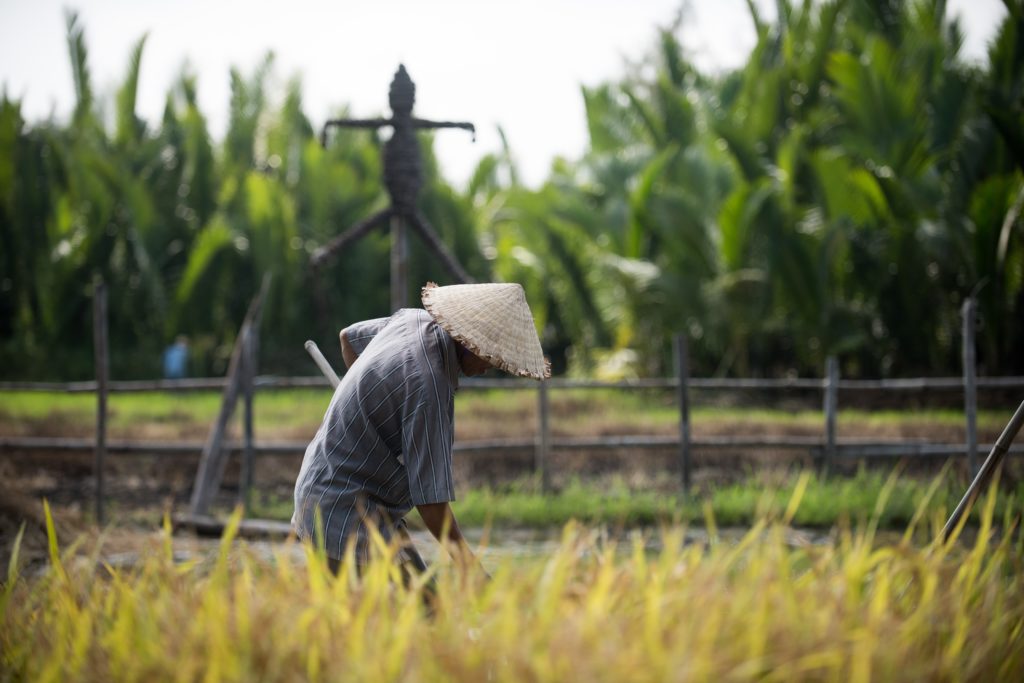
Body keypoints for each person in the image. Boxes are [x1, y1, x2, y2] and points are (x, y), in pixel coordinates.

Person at [292, 282, 549, 575]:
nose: (493, 365)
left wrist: (371, 407)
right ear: (468, 340)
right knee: (414, 611)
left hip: (355, 500)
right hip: (339, 509)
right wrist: (470, 569)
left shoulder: (411, 320)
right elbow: (431, 503)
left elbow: (349, 338)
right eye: (491, 354)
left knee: (423, 606)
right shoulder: (429, 387)